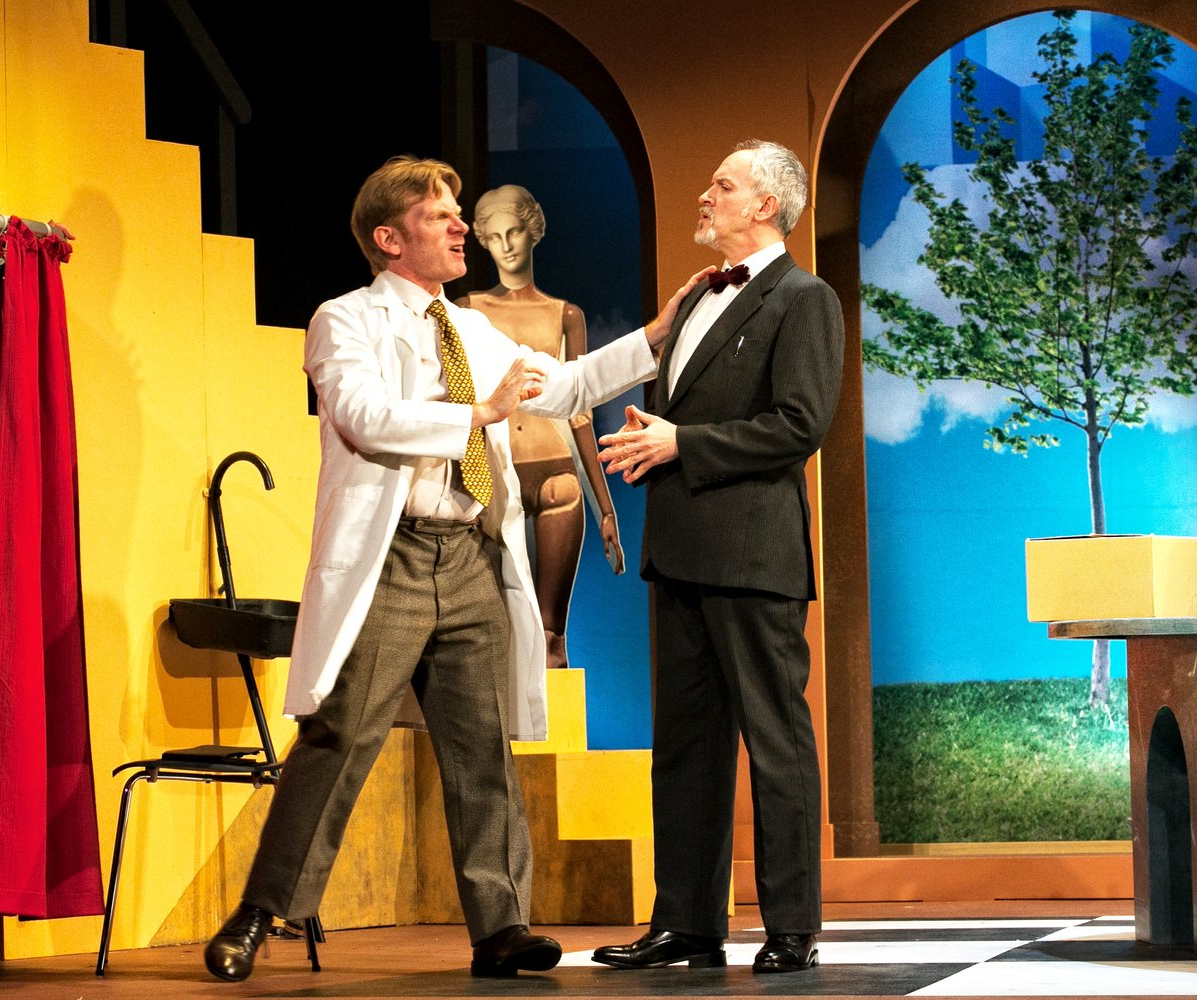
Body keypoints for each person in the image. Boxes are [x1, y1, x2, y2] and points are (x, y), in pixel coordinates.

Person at [202, 155, 710, 982]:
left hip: (471, 554)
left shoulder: (470, 329)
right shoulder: (345, 319)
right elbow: (365, 417)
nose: (460, 225)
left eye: (457, 212)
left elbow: (562, 385)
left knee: (482, 748)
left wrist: (656, 334)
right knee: (340, 735)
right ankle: (261, 911)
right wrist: (480, 412)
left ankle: (500, 927)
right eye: (440, 214)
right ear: (389, 238)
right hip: (395, 557)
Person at [591, 140, 844, 975]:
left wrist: (681, 444)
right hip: (679, 552)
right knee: (685, 747)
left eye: (723, 185)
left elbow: (799, 424)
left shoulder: (804, 299)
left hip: (752, 555)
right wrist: (652, 440)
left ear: (766, 205)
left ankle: (792, 925)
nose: (706, 195)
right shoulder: (697, 295)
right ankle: (687, 922)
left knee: (775, 741)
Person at [456, 185, 625, 670]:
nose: (506, 245)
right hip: (492, 473)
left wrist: (606, 509)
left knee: (552, 636)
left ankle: (556, 721)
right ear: (483, 241)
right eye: (494, 236)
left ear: (533, 231)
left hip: (557, 472)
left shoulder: (564, 314)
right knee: (489, 630)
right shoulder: (467, 310)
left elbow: (579, 411)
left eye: (513, 232)